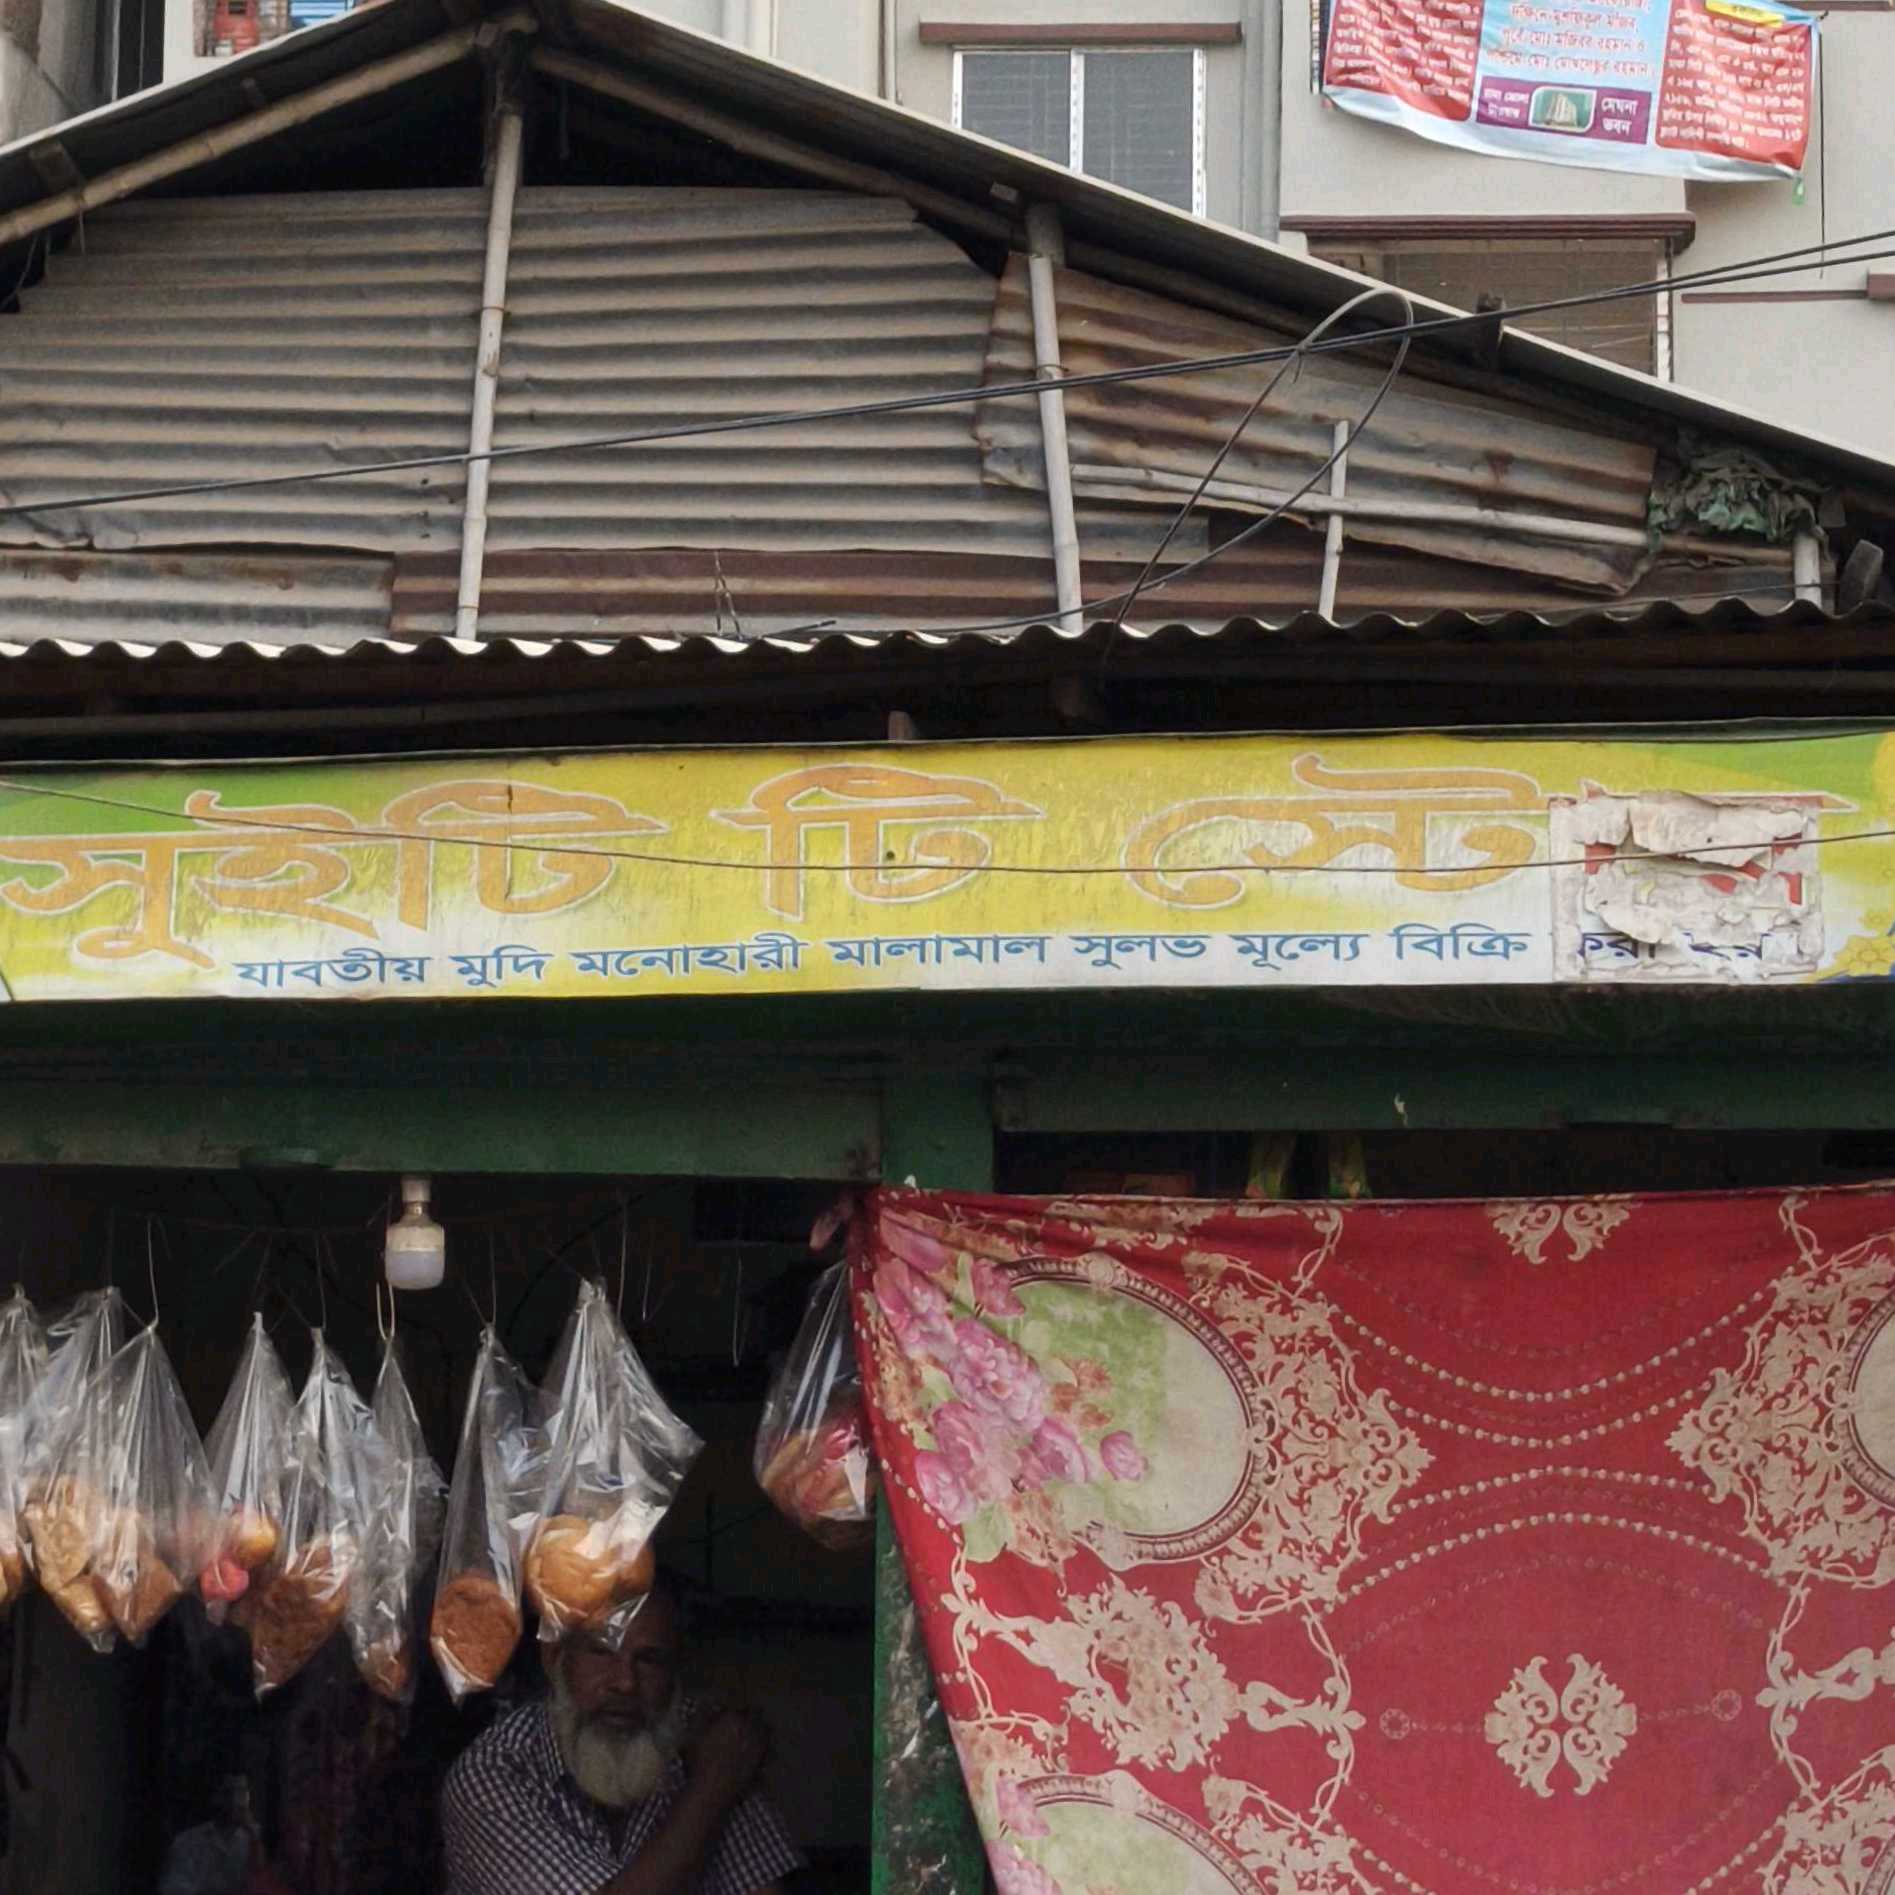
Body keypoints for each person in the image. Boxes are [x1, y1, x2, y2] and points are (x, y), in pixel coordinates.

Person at [441, 1579, 803, 1895]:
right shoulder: (494, 1773)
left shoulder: (703, 1736)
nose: (626, 1682)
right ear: (555, 1659)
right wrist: (711, 1789)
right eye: (602, 1652)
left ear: (674, 1673)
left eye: (649, 1660)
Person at [158, 1775, 294, 1895]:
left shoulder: (260, 1837)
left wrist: (254, 1838)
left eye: (242, 1792)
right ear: (214, 1797)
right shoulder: (188, 1842)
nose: (236, 1801)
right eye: (228, 1793)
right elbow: (174, 1889)